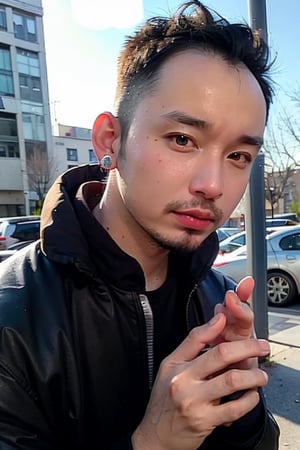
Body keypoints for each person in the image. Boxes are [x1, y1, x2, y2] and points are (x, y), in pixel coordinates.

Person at [0, 1, 279, 449]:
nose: (213, 185)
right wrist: (154, 443)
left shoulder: (213, 297)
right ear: (110, 139)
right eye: (182, 139)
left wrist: (241, 406)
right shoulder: (12, 317)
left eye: (238, 156)